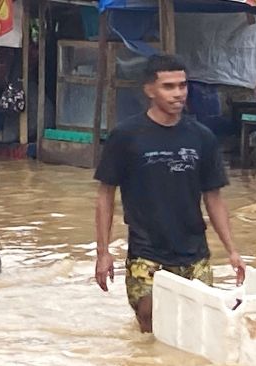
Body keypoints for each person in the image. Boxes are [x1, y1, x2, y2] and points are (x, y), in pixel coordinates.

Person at [93, 54, 246, 333]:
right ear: (150, 90)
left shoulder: (202, 137)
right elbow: (105, 196)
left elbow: (214, 199)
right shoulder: (125, 136)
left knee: (198, 327)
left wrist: (232, 251)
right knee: (149, 317)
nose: (178, 94)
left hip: (194, 252)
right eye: (169, 86)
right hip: (146, 251)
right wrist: (102, 253)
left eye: (182, 86)